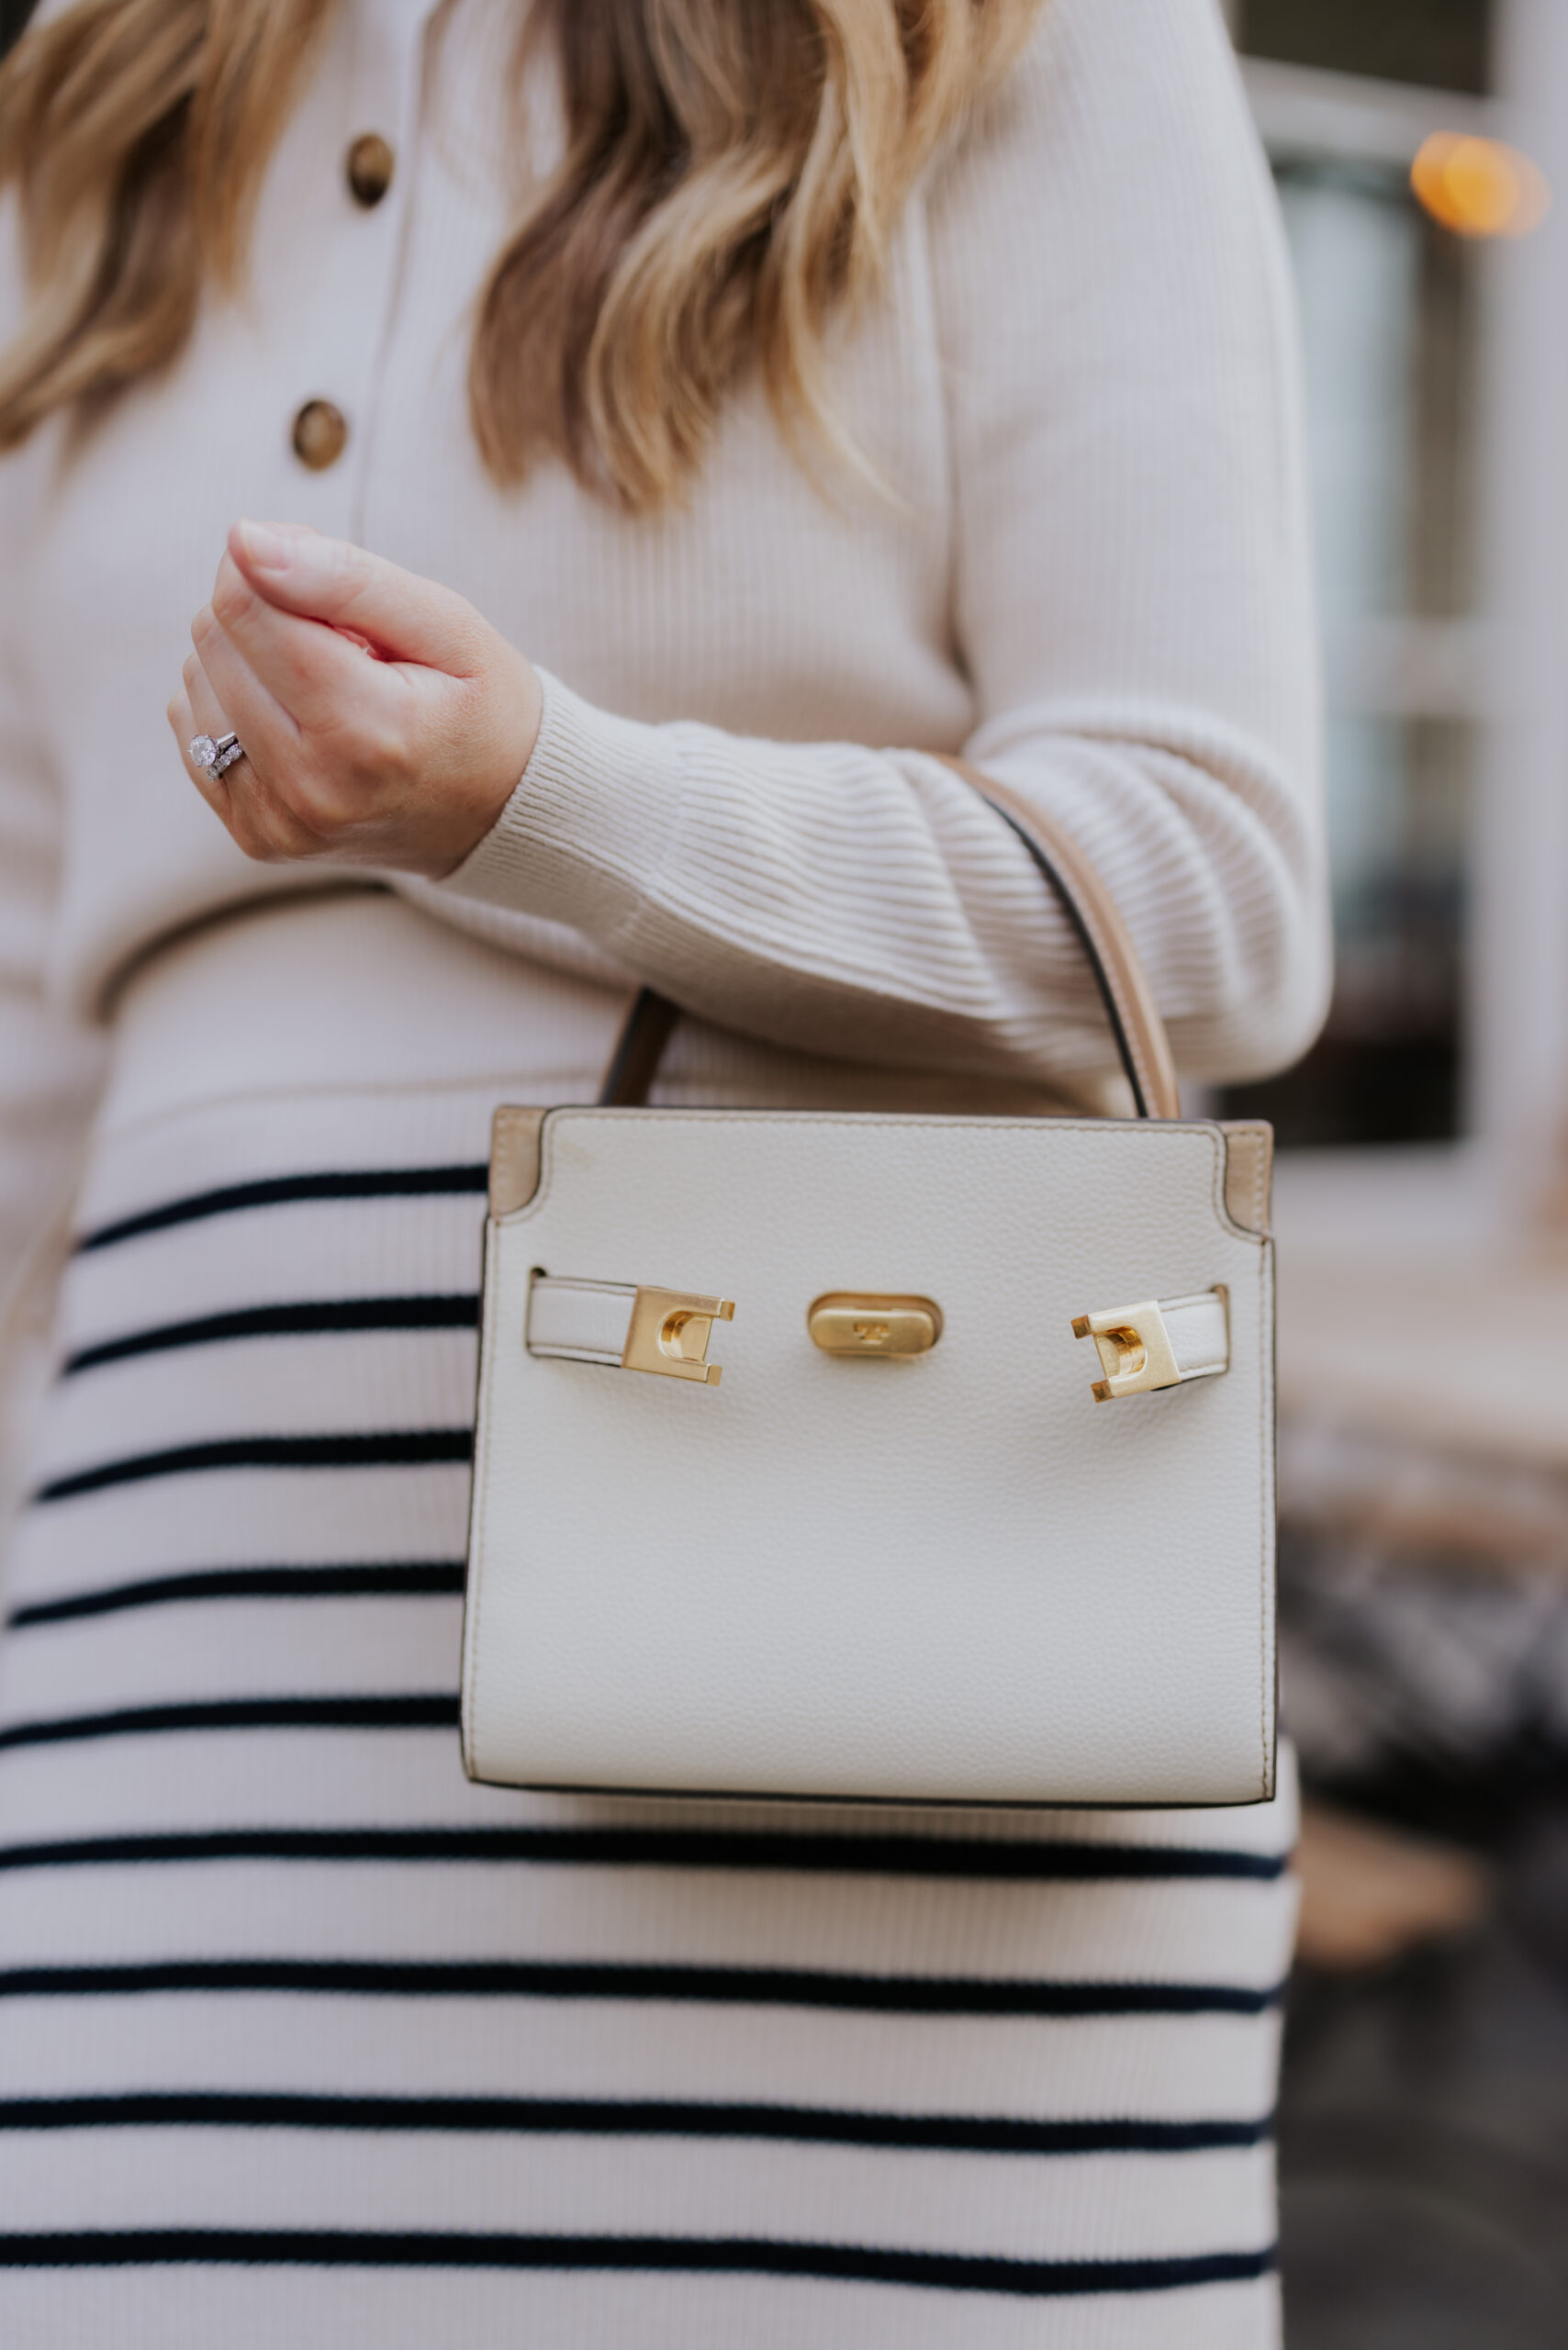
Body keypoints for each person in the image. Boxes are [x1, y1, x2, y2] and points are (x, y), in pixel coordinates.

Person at [0, 0, 1326, 2341]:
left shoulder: (1021, 39)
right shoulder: (108, 93)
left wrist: (553, 802)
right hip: (166, 1710)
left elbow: (1208, 896)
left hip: (892, 1661)